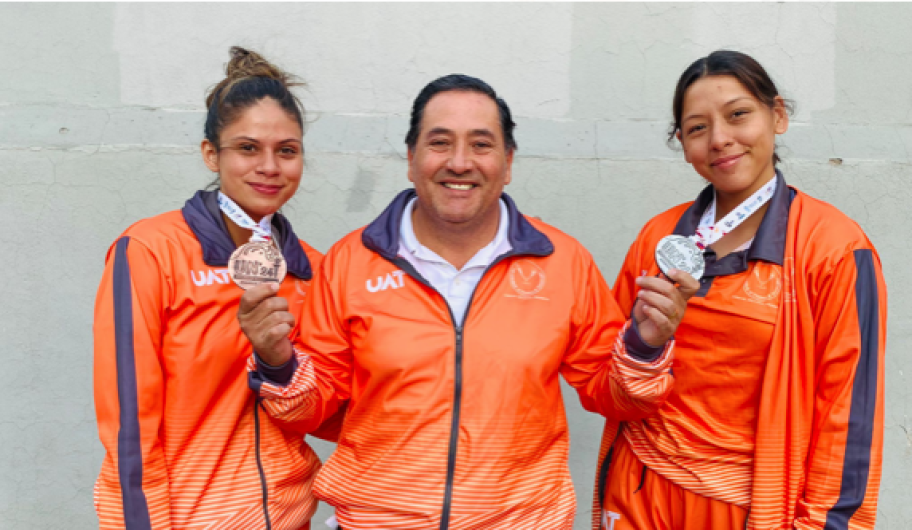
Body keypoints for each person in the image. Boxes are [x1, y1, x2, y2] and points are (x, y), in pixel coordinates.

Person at [238, 74, 699, 529]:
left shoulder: (562, 261)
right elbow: (311, 409)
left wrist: (644, 345)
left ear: (508, 161)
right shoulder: (350, 261)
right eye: (440, 142)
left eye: (481, 145)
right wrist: (276, 360)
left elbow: (617, 399)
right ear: (411, 158)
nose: (460, 162)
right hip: (377, 521)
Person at [592, 50, 887, 530]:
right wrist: (646, 346)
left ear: (778, 116)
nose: (720, 139)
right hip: (640, 491)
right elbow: (607, 391)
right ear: (683, 145)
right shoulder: (657, 239)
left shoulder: (834, 249)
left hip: (754, 506)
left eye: (738, 115)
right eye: (697, 128)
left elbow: (849, 421)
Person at [93, 47, 337, 529]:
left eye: (286, 150)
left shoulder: (314, 268)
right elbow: (129, 429)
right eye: (248, 148)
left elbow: (326, 415)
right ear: (211, 154)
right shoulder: (149, 251)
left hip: (291, 519)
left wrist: (277, 361)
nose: (269, 166)